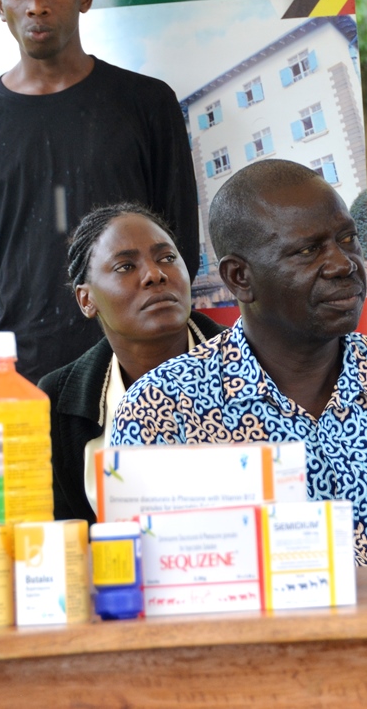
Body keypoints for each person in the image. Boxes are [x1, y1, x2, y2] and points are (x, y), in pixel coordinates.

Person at [111, 160, 367, 565]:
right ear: (240, 277)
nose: (344, 265)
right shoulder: (163, 409)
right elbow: (147, 589)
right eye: (309, 250)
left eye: (347, 240)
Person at [0, 0, 200, 382]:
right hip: (26, 374)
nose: (36, 5)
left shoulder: (146, 103)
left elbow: (178, 245)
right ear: (0, 3)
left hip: (140, 368)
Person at [38, 203, 224, 524]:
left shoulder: (255, 365)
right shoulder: (57, 400)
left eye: (167, 258)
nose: (155, 274)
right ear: (87, 299)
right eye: (125, 266)